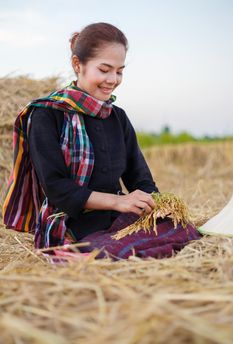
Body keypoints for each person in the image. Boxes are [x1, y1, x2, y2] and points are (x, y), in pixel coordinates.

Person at [2, 22, 201, 259]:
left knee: (184, 229)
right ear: (78, 65)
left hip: (117, 220)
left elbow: (140, 179)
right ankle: (93, 253)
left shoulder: (118, 117)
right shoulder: (47, 114)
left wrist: (157, 205)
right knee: (109, 247)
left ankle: (107, 251)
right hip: (71, 222)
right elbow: (56, 189)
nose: (113, 79)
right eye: (104, 69)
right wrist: (118, 202)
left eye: (119, 71)